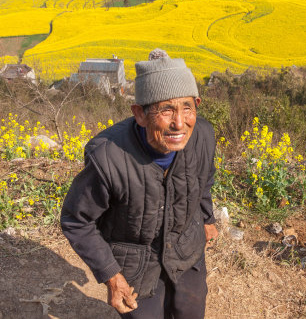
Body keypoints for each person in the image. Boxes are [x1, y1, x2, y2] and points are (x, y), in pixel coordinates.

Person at [61, 49, 218, 318]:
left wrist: (206, 217)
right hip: (135, 261)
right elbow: (77, 220)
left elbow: (205, 177)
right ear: (140, 114)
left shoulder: (203, 135)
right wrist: (111, 276)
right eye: (166, 109)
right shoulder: (108, 157)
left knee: (189, 311)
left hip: (185, 247)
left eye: (187, 107)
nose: (179, 122)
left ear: (197, 106)